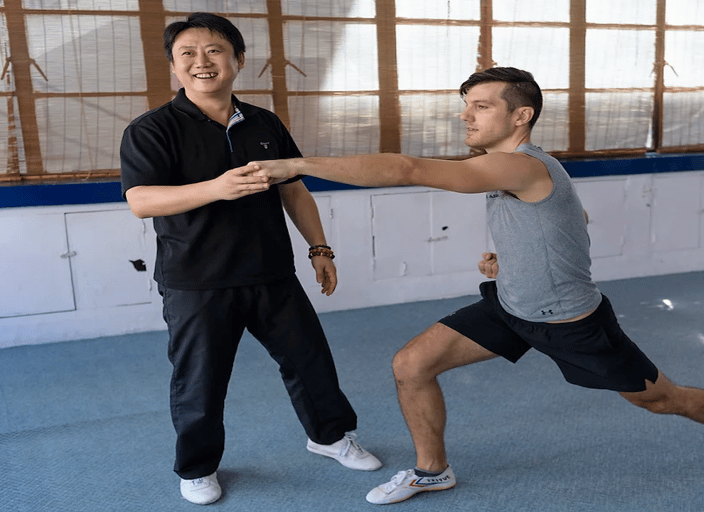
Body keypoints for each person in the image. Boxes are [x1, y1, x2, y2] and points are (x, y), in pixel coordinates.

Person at [249, 66, 704, 505]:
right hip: (511, 306)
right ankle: (433, 472)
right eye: (466, 105)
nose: (465, 115)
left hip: (570, 323)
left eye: (481, 106)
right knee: (412, 364)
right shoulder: (522, 169)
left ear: (521, 115)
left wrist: (296, 164)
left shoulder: (521, 166)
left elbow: (408, 168)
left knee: (664, 400)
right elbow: (575, 218)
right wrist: (516, 258)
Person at [119, 12, 381, 506]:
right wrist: (217, 188)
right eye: (187, 54)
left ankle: (329, 437)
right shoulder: (152, 129)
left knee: (311, 364)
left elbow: (295, 189)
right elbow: (141, 200)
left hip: (272, 273)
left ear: (238, 60)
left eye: (215, 51)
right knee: (200, 381)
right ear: (174, 67)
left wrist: (319, 248)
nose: (202, 62)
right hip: (197, 281)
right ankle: (197, 467)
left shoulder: (263, 122)